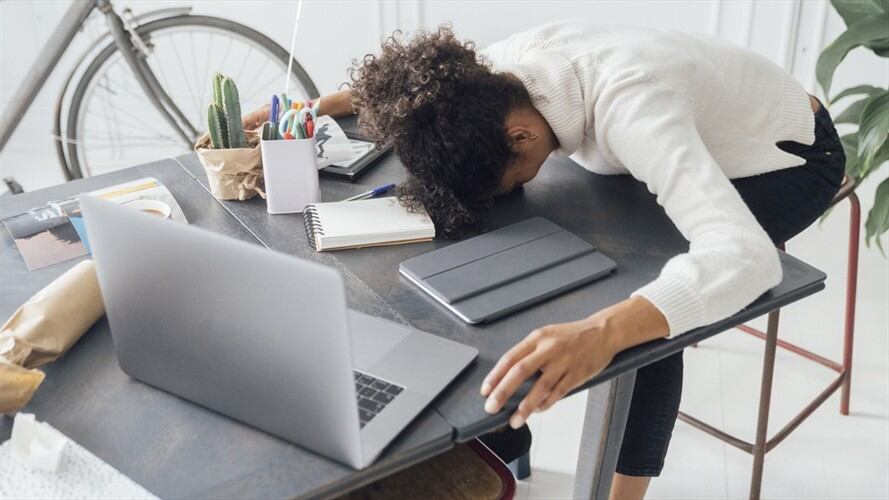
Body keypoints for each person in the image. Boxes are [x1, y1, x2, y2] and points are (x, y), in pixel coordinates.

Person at [244, 22, 844, 499]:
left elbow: (744, 258)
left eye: (502, 179)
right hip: (670, 135)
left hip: (785, 157)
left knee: (646, 317)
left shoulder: (634, 106)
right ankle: (507, 440)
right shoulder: (506, 78)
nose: (503, 191)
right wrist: (324, 105)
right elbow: (443, 83)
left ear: (523, 137)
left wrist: (602, 331)